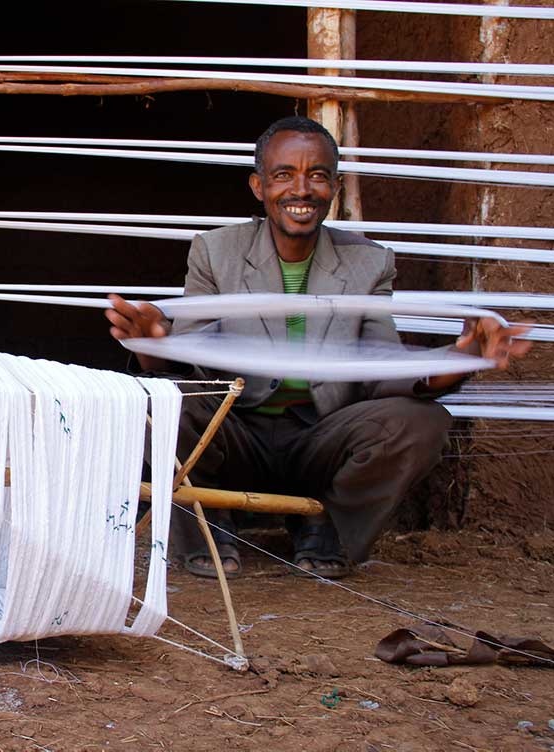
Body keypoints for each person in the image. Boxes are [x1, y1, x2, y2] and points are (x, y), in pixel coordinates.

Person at [106, 116, 530, 579]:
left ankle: (328, 526)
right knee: (158, 403)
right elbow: (193, 367)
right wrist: (156, 345)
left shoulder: (368, 262)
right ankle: (205, 522)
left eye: (318, 175)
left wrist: (454, 363)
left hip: (322, 438)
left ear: (335, 187)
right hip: (235, 432)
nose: (301, 190)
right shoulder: (215, 251)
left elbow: (377, 367)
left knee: (421, 422)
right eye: (284, 174)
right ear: (258, 185)